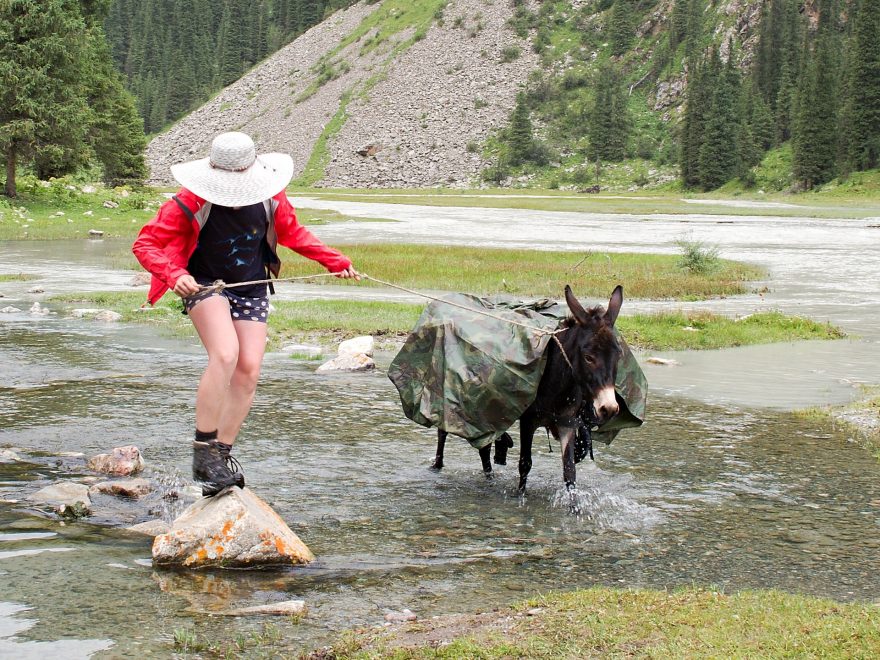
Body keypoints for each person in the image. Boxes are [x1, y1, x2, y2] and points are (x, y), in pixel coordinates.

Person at [133, 132, 358, 496]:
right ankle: (202, 455)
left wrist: (336, 262)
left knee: (249, 369)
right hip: (204, 284)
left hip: (251, 287)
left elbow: (294, 233)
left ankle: (221, 456)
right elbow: (145, 244)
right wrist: (175, 275)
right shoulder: (189, 201)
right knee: (225, 354)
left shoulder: (271, 197)